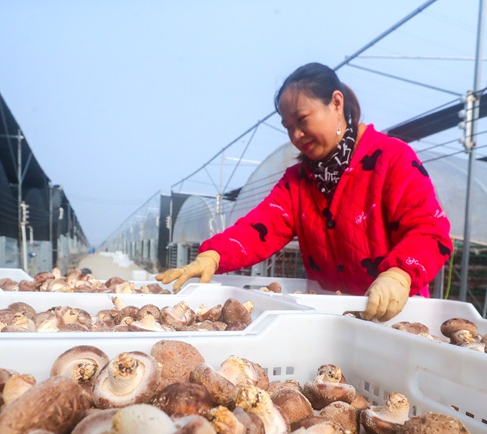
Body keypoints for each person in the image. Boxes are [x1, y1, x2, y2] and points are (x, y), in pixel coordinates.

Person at [156, 62, 453, 322]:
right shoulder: (298, 183)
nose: (295, 135)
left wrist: (399, 274)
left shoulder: (391, 159)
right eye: (288, 126)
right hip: (332, 320)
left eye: (302, 119)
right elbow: (259, 228)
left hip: (396, 316)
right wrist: (214, 254)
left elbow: (429, 230)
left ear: (336, 103)